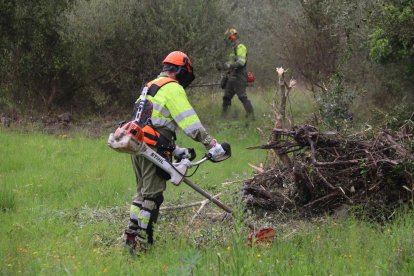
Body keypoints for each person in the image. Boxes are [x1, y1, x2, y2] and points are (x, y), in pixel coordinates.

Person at [125, 51, 226, 251]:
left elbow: (150, 120)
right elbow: (189, 122)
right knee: (152, 197)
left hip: (137, 145)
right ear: (179, 71)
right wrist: (211, 144)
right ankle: (143, 245)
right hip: (153, 147)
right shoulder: (173, 88)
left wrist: (176, 149)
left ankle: (131, 237)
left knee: (141, 194)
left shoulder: (150, 87)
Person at [220, 28, 254, 119]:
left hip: (240, 76)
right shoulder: (232, 50)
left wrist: (230, 66)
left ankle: (251, 117)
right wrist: (226, 73)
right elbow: (230, 64)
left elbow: (241, 62)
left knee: (242, 97)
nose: (228, 42)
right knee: (226, 97)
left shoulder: (241, 47)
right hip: (232, 76)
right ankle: (224, 116)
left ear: (233, 37)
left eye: (229, 39)